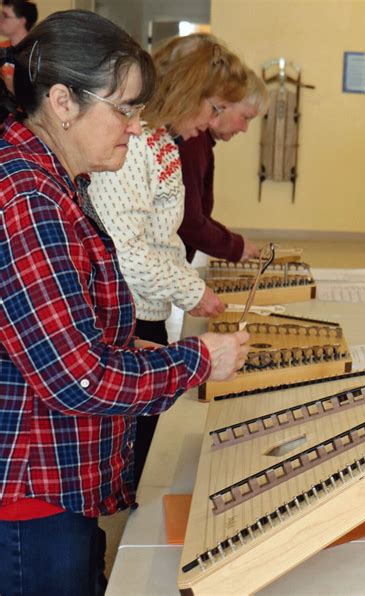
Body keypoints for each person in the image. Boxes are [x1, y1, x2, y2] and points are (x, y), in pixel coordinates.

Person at [0, 10, 249, 595]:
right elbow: (77, 378)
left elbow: (62, 336)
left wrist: (131, 346)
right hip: (33, 491)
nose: (136, 129)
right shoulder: (28, 198)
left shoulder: (57, 180)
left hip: (61, 479)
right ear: (63, 102)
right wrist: (198, 362)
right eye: (125, 110)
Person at [88, 33, 250, 487]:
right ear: (186, 91)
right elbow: (126, 251)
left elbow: (164, 241)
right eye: (214, 108)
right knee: (133, 452)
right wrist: (192, 290)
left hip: (151, 309)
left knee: (147, 439)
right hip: (128, 315)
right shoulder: (133, 145)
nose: (214, 121)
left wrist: (189, 286)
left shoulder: (161, 141)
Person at [178, 69, 268, 264]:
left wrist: (236, 244)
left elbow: (196, 215)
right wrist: (235, 246)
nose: (244, 129)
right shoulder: (192, 141)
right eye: (245, 117)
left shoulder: (200, 143)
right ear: (223, 104)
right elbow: (188, 221)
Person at [0, 0, 37, 88]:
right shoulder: (1, 48)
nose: (0, 19)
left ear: (21, 21)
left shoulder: (35, 52)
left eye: (5, 16)